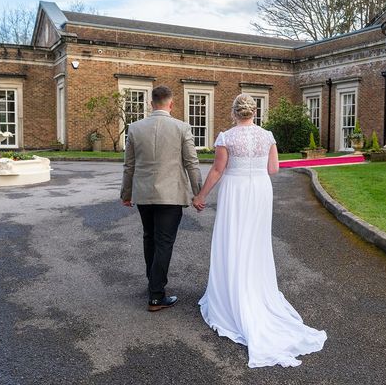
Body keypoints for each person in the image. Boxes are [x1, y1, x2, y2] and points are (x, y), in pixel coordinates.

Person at [193, 94, 327, 368]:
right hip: (260, 191)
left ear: (234, 112)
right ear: (255, 112)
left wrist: (201, 195)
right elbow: (273, 169)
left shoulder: (226, 137)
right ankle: (255, 289)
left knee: (233, 240)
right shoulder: (268, 136)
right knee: (255, 242)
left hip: (236, 190)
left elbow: (218, 170)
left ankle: (234, 294)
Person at [121, 85, 202, 312]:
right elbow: (191, 163)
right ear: (171, 104)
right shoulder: (182, 128)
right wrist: (199, 193)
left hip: (144, 194)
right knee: (164, 242)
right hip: (171, 195)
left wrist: (126, 194)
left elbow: (129, 165)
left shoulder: (135, 128)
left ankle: (153, 283)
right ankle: (156, 295)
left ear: (151, 103)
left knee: (150, 238)